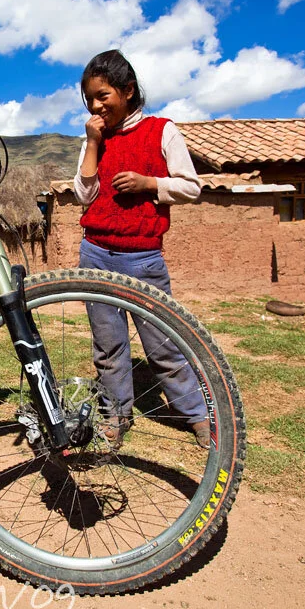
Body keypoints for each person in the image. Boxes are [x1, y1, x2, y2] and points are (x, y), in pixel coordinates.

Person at [73, 50, 209, 448]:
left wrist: (150, 184)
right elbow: (83, 195)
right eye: (90, 100)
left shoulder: (161, 131)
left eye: (103, 96)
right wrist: (93, 144)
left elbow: (191, 186)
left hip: (143, 258)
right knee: (108, 344)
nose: (97, 106)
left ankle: (196, 414)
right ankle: (116, 415)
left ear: (128, 91)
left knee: (163, 343)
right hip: (96, 254)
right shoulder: (95, 138)